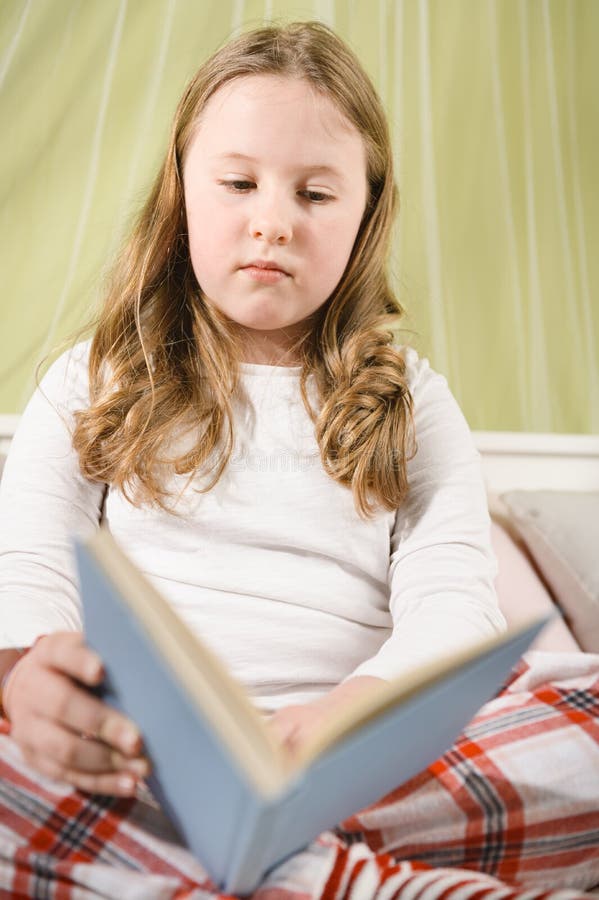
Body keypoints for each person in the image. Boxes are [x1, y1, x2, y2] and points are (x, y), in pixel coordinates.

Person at [0, 20, 504, 829]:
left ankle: (297, 853)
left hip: (349, 766)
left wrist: (352, 711)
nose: (273, 222)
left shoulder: (413, 402)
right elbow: (29, 570)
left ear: (365, 213)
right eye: (238, 183)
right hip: (127, 754)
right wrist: (30, 680)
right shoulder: (92, 380)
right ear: (182, 192)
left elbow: (455, 607)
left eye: (315, 194)